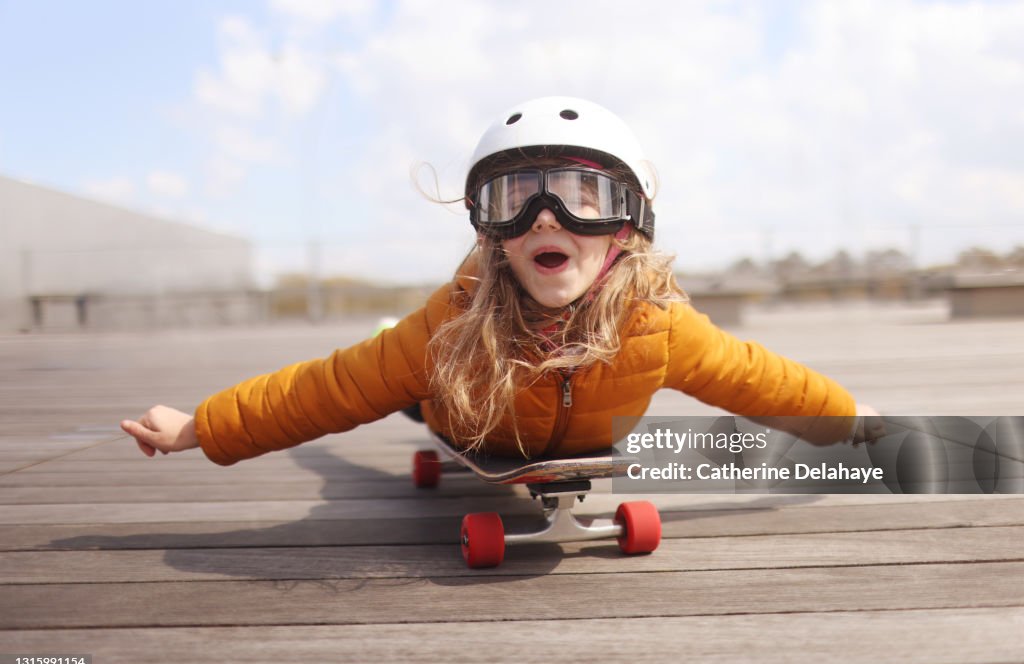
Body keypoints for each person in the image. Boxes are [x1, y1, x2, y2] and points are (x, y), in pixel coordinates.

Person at [121, 96, 879, 465]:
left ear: (629, 223)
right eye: (515, 200)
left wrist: (848, 417)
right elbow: (328, 388)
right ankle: (412, 380)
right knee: (403, 383)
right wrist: (203, 425)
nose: (546, 218)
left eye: (583, 197)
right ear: (489, 228)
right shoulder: (448, 327)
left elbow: (758, 379)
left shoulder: (658, 326)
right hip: (461, 409)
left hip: (552, 424)